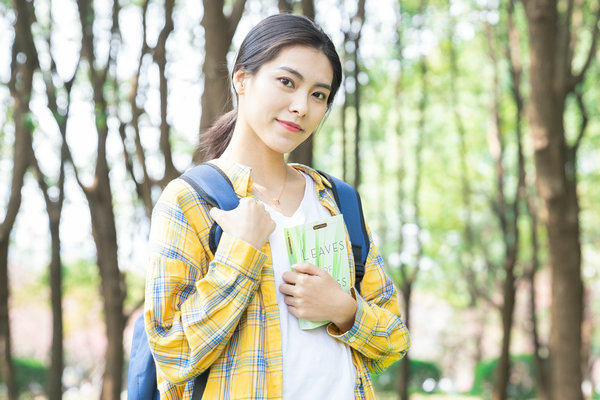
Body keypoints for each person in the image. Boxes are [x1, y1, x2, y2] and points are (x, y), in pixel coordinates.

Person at [145, 13, 410, 400]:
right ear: (242, 79)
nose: (301, 106)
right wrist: (240, 253)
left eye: (319, 95)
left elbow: (395, 340)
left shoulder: (337, 201)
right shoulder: (191, 200)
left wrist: (343, 309)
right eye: (287, 82)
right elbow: (174, 354)